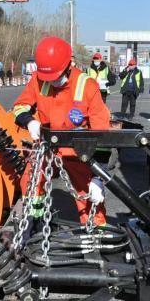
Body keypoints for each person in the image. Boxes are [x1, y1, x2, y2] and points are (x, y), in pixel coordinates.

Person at [13, 36, 110, 230]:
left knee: (89, 193)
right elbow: (20, 107)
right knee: (31, 178)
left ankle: (97, 234)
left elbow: (103, 136)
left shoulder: (87, 86)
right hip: (47, 148)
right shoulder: (38, 80)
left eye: (56, 77)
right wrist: (29, 121)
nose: (52, 82)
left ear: (69, 65)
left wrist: (99, 178)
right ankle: (34, 224)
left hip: (77, 153)